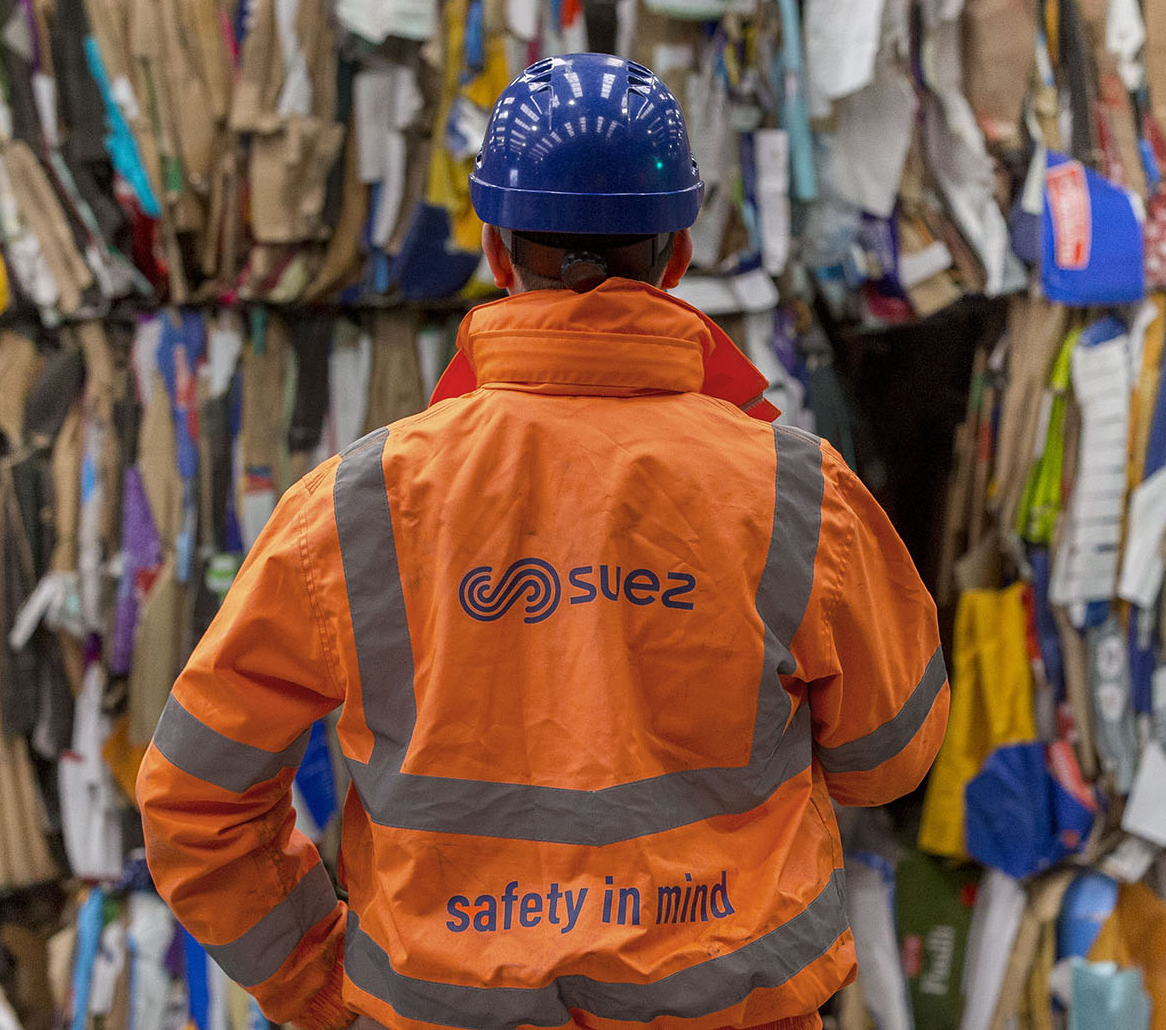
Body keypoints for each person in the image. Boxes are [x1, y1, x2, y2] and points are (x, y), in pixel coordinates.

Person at [136, 53, 949, 1030]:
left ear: (493, 248)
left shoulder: (360, 505)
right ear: (676, 256)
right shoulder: (793, 491)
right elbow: (887, 758)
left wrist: (318, 985)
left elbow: (195, 799)